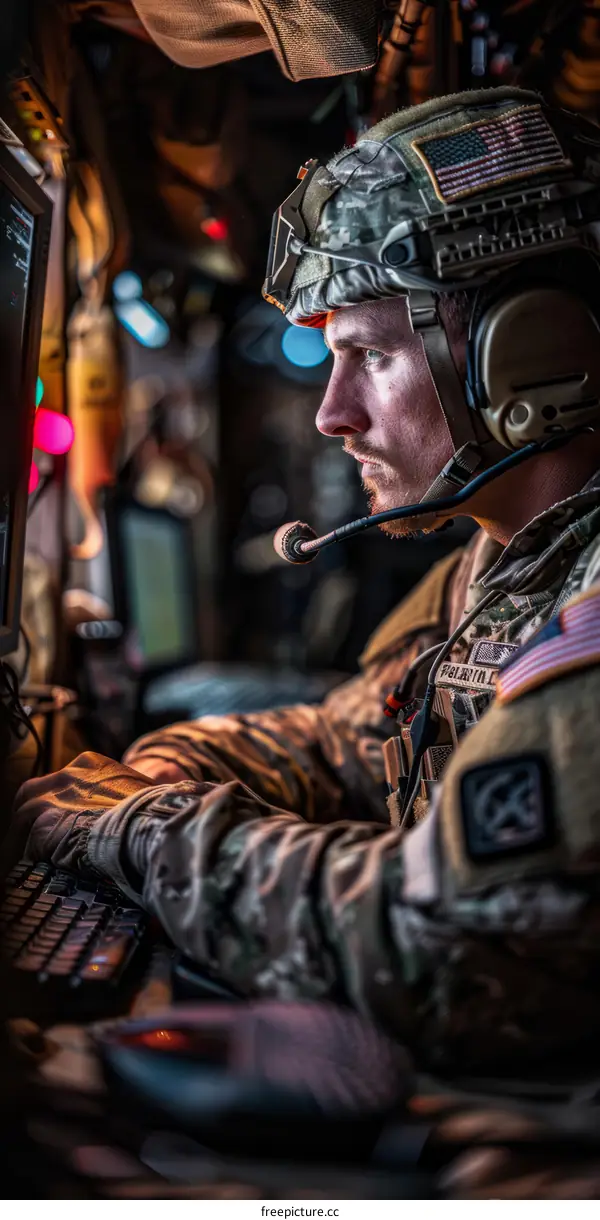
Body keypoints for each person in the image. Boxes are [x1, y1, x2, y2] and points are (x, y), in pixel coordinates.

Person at [9, 87, 600, 1082]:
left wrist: (143, 830)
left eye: (368, 355)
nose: (332, 414)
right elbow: (346, 739)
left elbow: (449, 945)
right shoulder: (500, 564)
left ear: (523, 357)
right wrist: (169, 767)